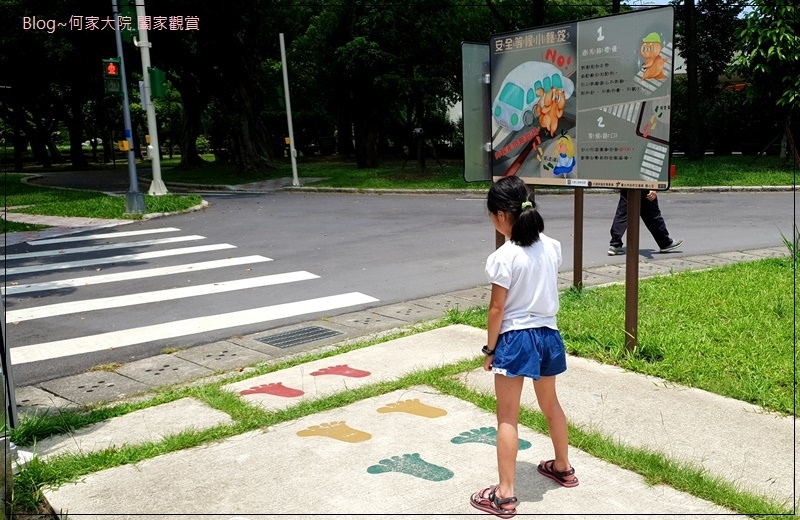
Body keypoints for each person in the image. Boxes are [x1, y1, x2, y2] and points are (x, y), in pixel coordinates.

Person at [470, 176, 577, 519]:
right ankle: (563, 466)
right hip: (548, 336)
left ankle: (505, 495)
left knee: (508, 417)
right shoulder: (553, 246)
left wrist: (490, 350)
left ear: (501, 215)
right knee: (551, 405)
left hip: (516, 340)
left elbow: (497, 310)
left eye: (491, 216)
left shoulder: (503, 256)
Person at [608, 189, 683, 256]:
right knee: (652, 216)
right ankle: (665, 243)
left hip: (628, 184)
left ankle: (615, 244)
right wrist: (653, 188)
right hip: (644, 186)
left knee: (622, 214)